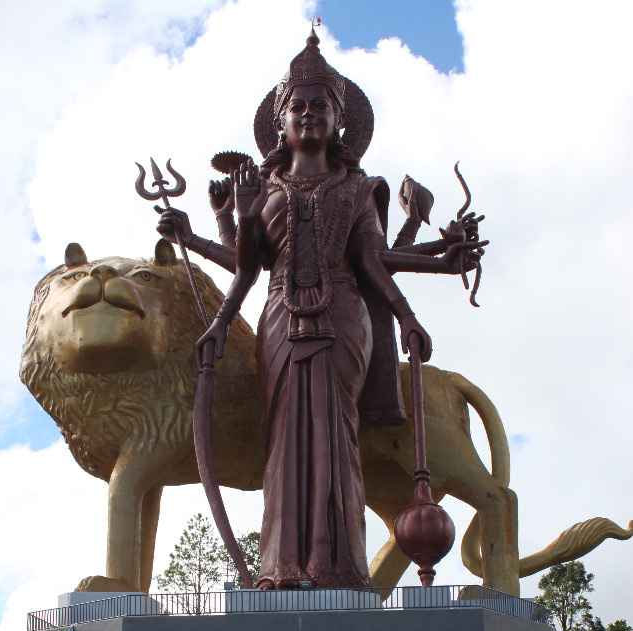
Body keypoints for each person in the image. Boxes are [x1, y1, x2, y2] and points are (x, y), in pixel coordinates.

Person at [157, 28, 482, 590]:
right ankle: (282, 568)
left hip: (343, 318)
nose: (308, 116)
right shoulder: (260, 190)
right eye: (298, 107)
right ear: (281, 122)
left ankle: (340, 568)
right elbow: (247, 267)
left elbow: (374, 262)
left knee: (336, 435)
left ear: (339, 121)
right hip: (280, 315)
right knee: (284, 440)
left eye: (320, 107)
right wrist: (212, 306)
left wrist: (405, 315)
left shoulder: (358, 188)